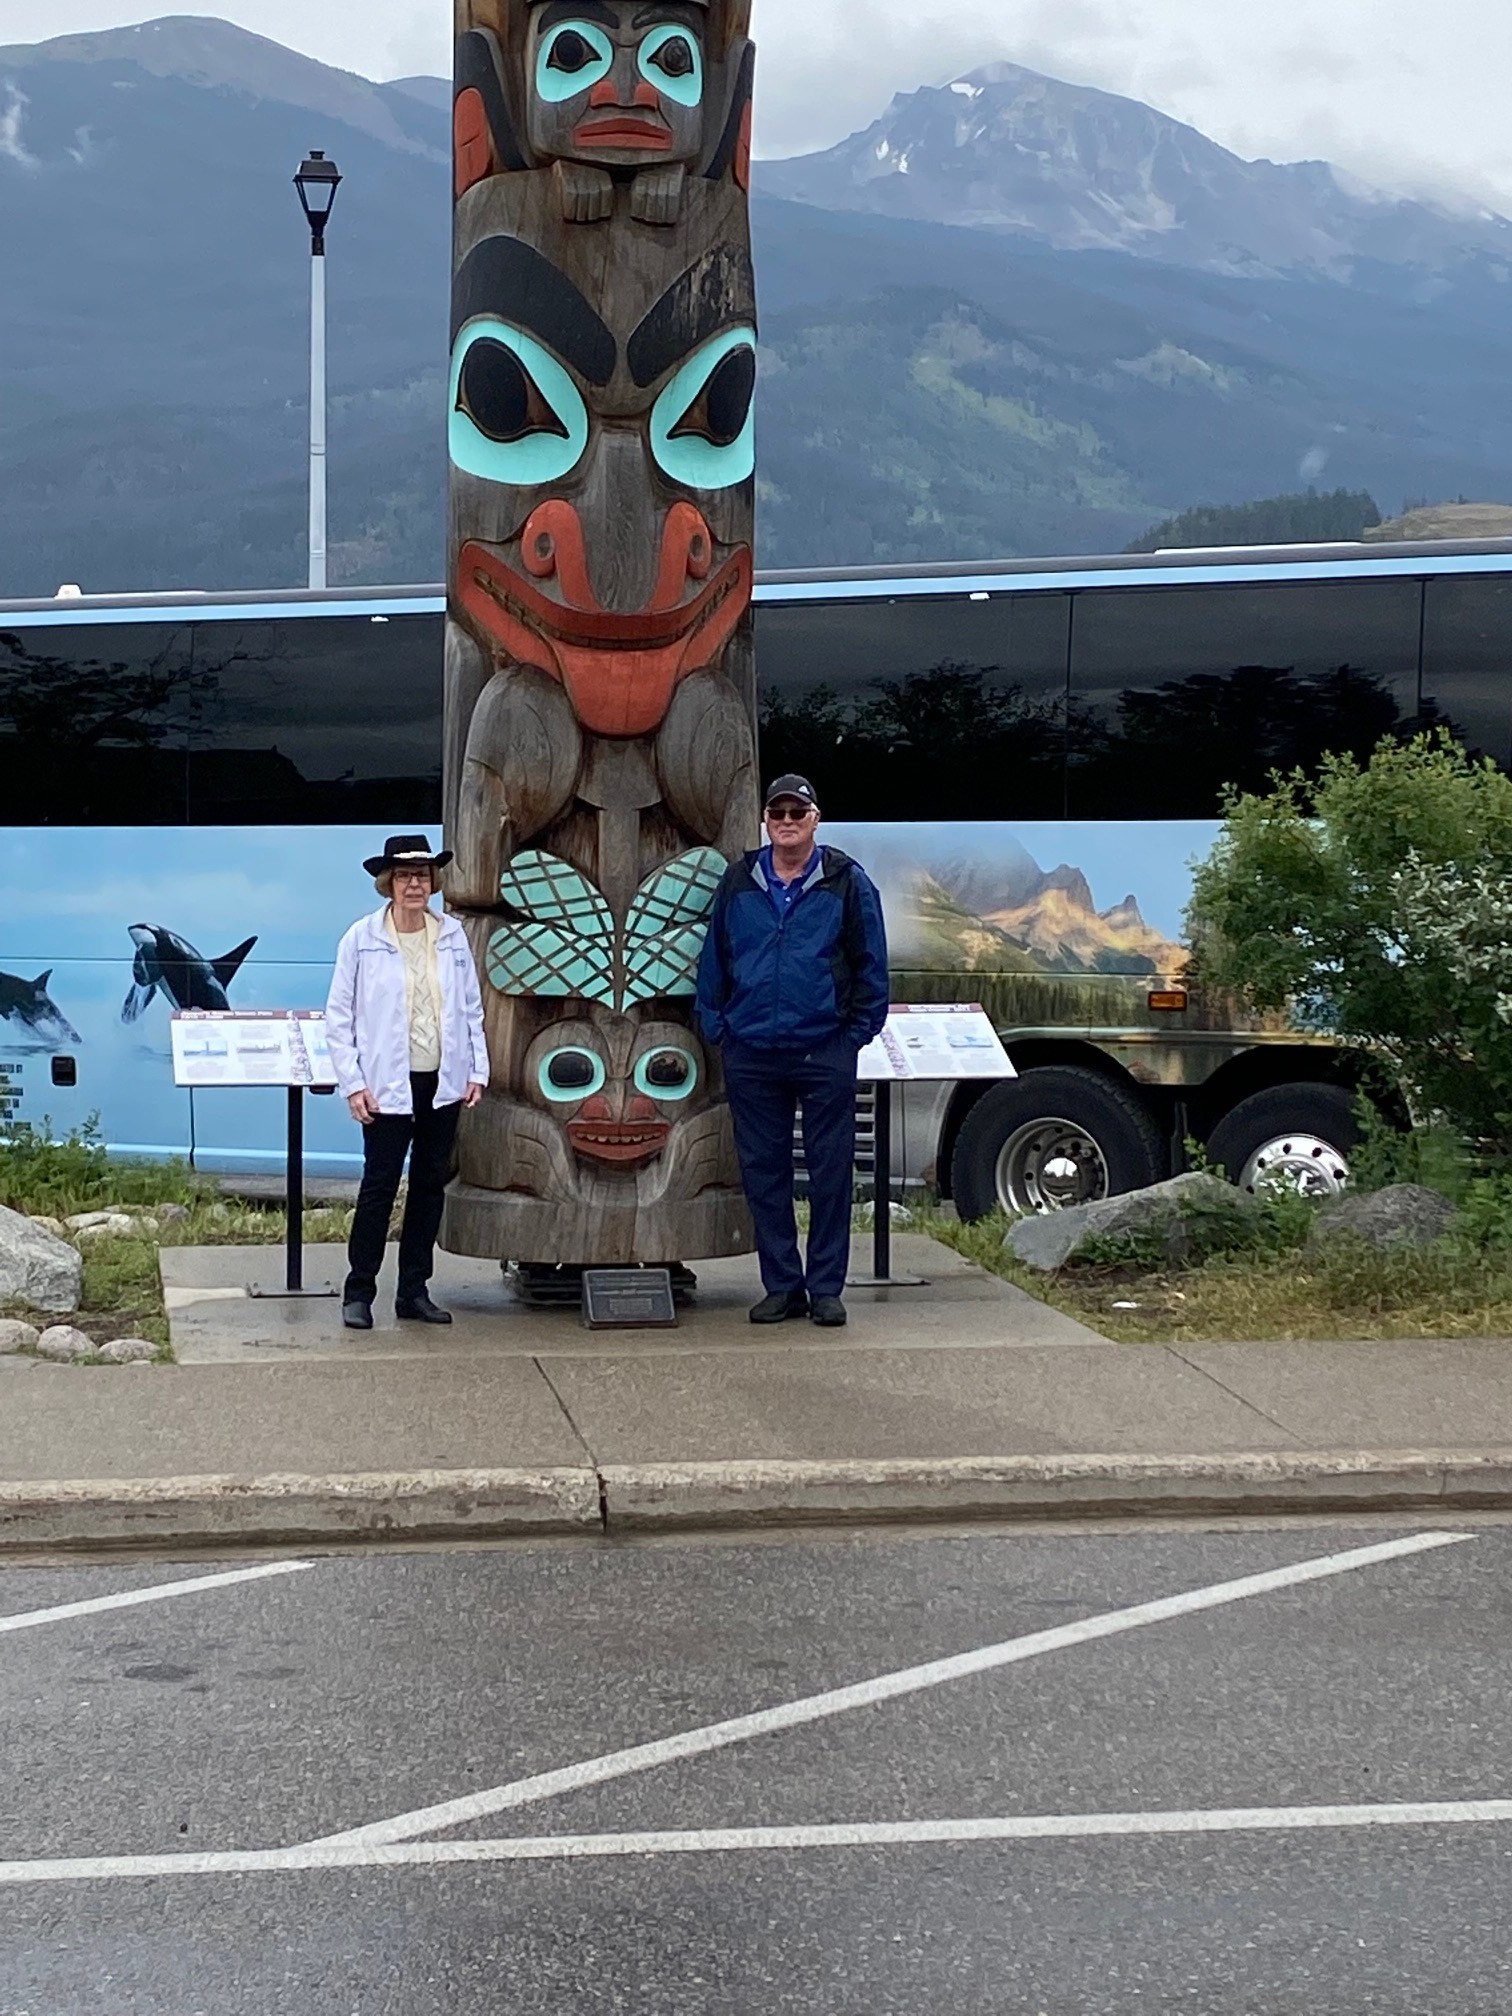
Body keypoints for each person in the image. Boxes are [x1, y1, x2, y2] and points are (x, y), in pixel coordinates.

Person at [696, 774, 889, 1327]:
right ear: (765, 820)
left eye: (796, 813)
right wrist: (718, 1027)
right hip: (752, 1050)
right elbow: (715, 958)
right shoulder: (739, 880)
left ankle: (826, 1287)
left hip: (823, 1050)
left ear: (815, 819)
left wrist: (854, 1035)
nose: (786, 821)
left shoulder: (847, 882)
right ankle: (781, 1284)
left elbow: (872, 963)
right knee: (764, 1172)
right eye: (777, 812)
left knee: (830, 1172)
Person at [325, 835, 489, 1330]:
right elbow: (339, 1017)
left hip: (441, 1082)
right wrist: (353, 1084)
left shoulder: (451, 936)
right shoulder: (361, 938)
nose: (413, 884)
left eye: (421, 875)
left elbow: (470, 1007)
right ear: (388, 884)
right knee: (378, 1187)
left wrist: (476, 1069)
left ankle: (413, 1292)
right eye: (403, 876)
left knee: (428, 1187)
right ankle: (359, 1292)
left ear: (433, 883)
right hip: (385, 1085)